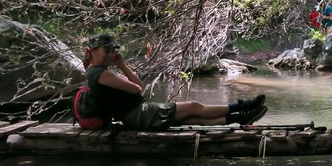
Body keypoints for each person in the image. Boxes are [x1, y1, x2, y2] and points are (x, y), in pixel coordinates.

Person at [83, 34, 267, 130]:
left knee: (193, 118)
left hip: (136, 116)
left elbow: (139, 87)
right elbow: (138, 89)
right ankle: (242, 106)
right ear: (93, 50)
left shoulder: (98, 72)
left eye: (112, 51)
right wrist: (122, 65)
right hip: (139, 115)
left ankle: (239, 118)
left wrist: (121, 65)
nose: (110, 55)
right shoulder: (102, 74)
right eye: (106, 51)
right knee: (194, 106)